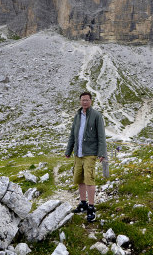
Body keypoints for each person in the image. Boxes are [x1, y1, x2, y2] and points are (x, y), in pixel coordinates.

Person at [65, 91, 107, 222]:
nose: (85, 102)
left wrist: (102, 153)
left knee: (89, 179)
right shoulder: (77, 116)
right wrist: (69, 150)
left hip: (90, 153)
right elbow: (73, 134)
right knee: (79, 178)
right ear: (80, 101)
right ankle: (83, 203)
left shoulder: (96, 116)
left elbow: (101, 136)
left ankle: (91, 207)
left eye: (87, 100)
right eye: (83, 100)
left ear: (91, 101)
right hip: (78, 153)